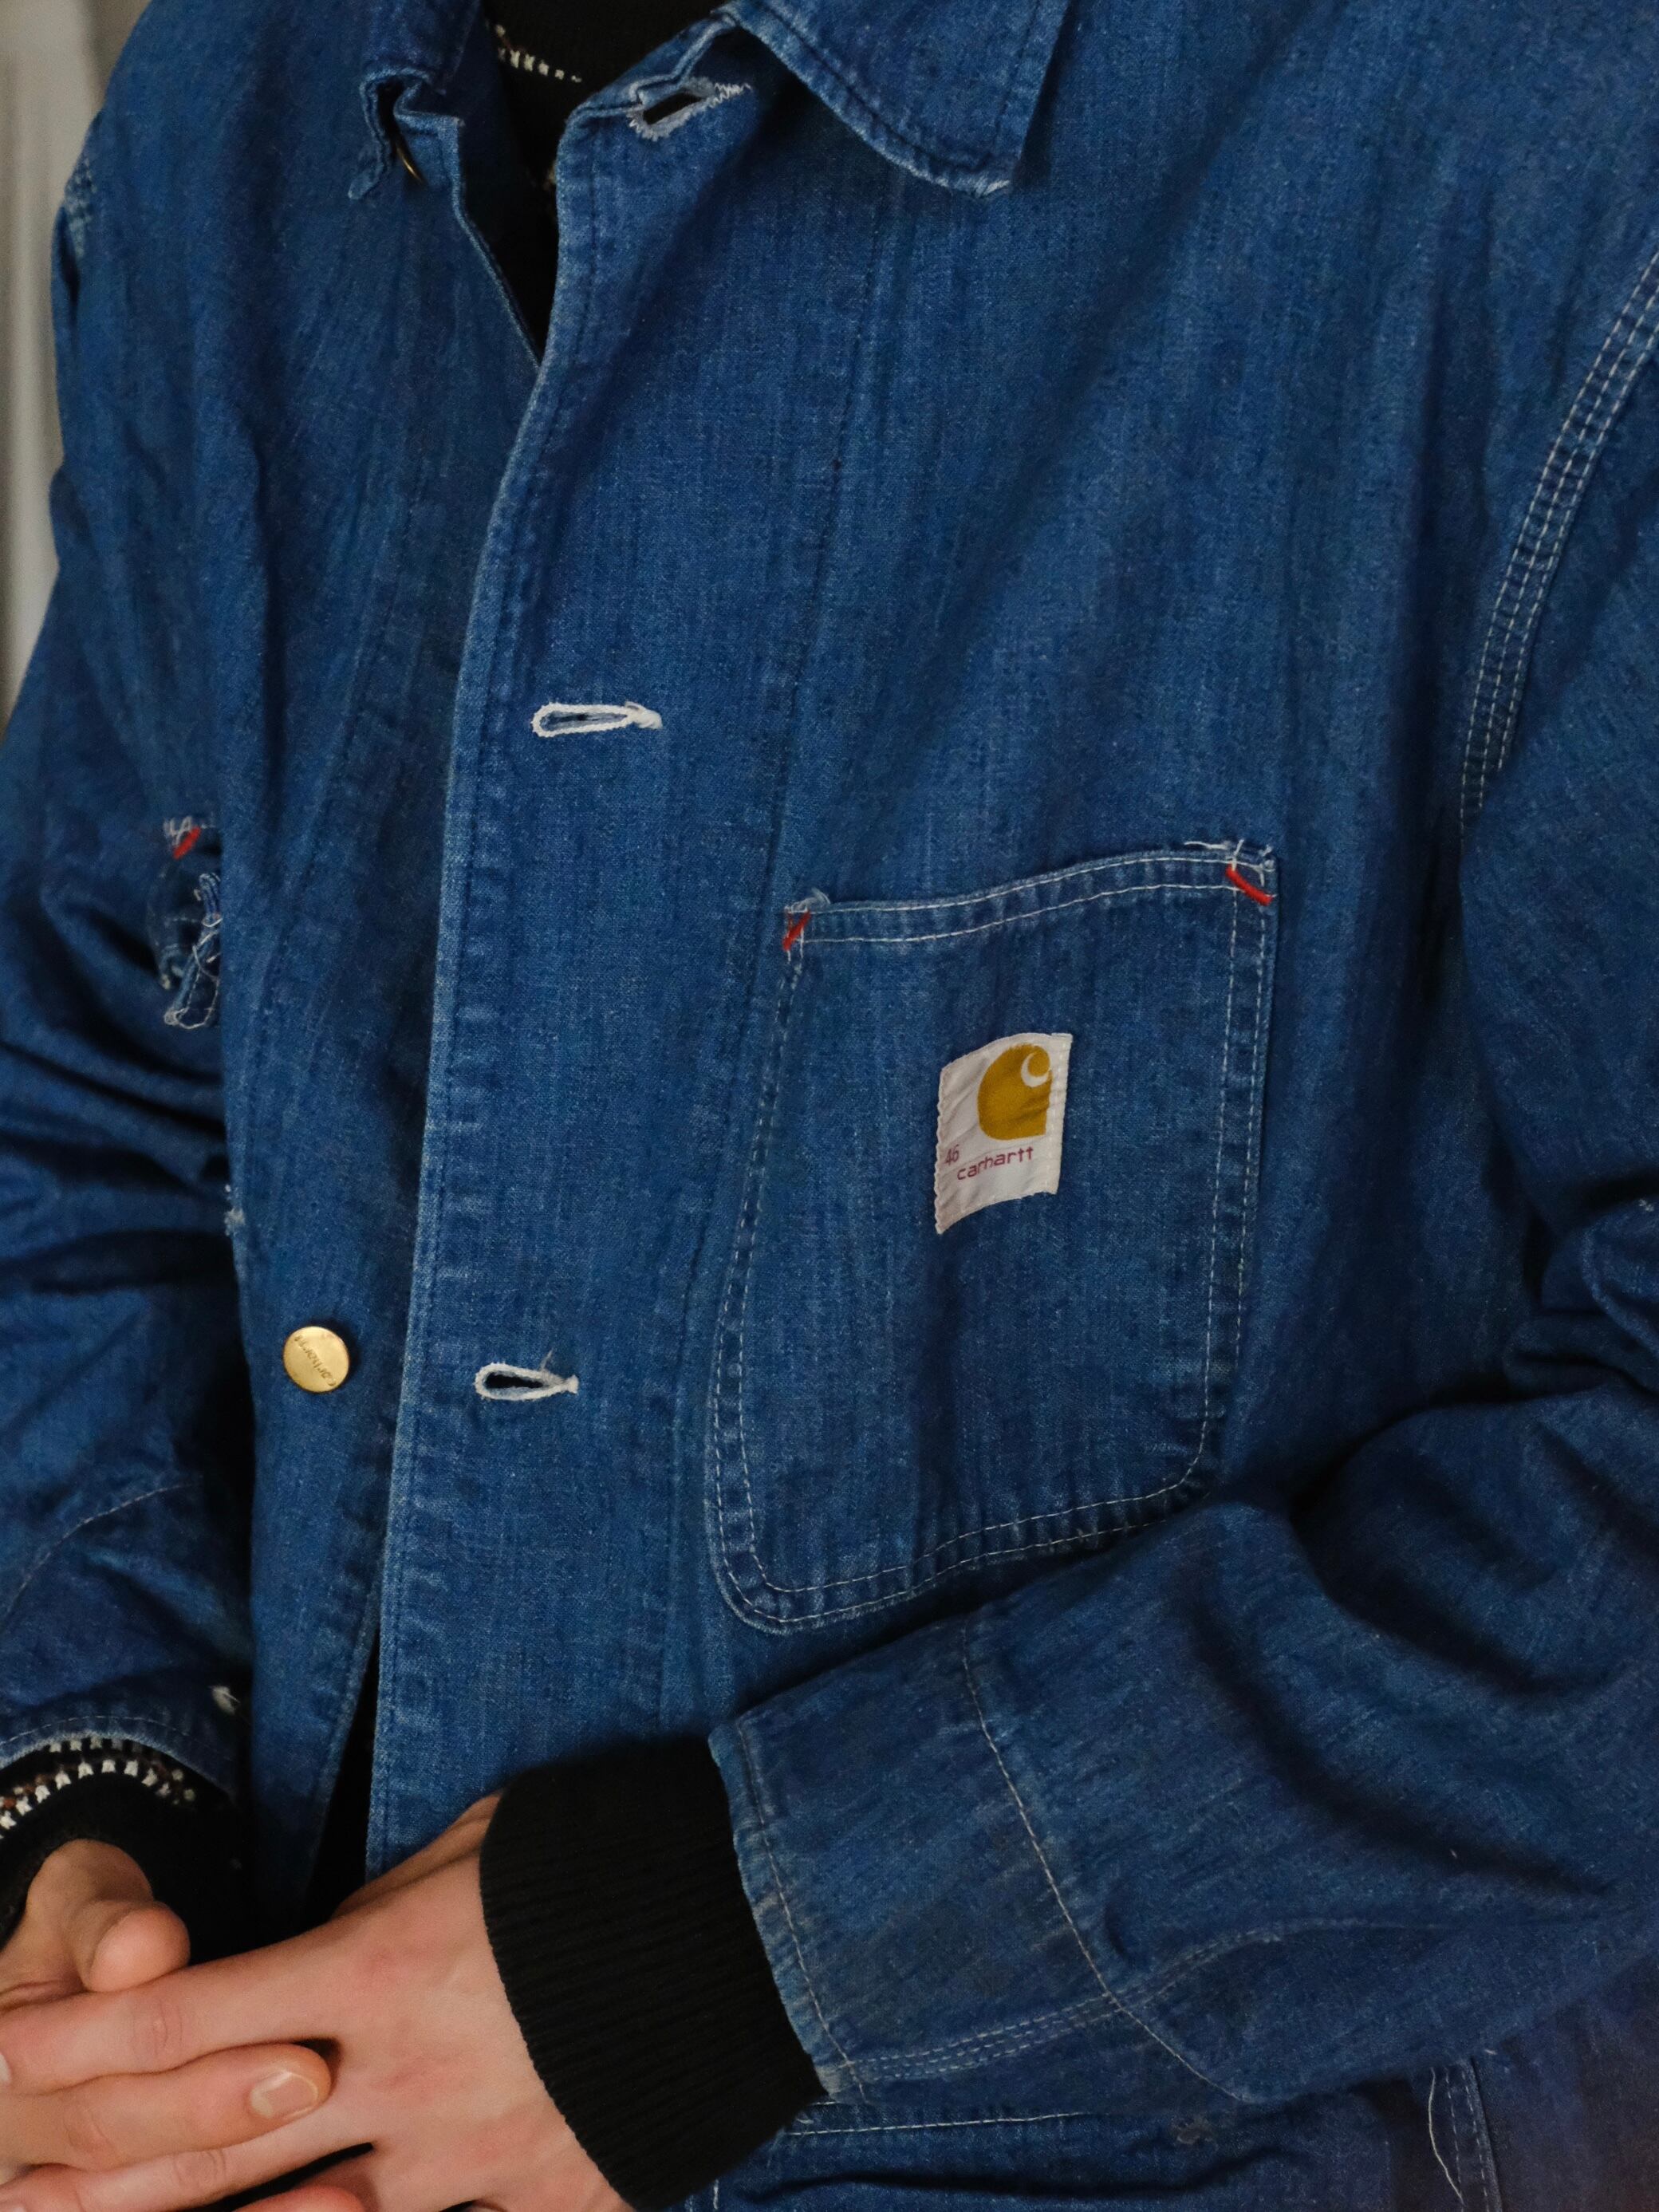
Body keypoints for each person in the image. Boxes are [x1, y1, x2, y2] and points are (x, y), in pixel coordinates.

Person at [0, 0, 1657, 2207]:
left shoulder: (1541, 133)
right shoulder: (233, 110)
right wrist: (95, 1801)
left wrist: (746, 1952)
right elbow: (99, 1081)